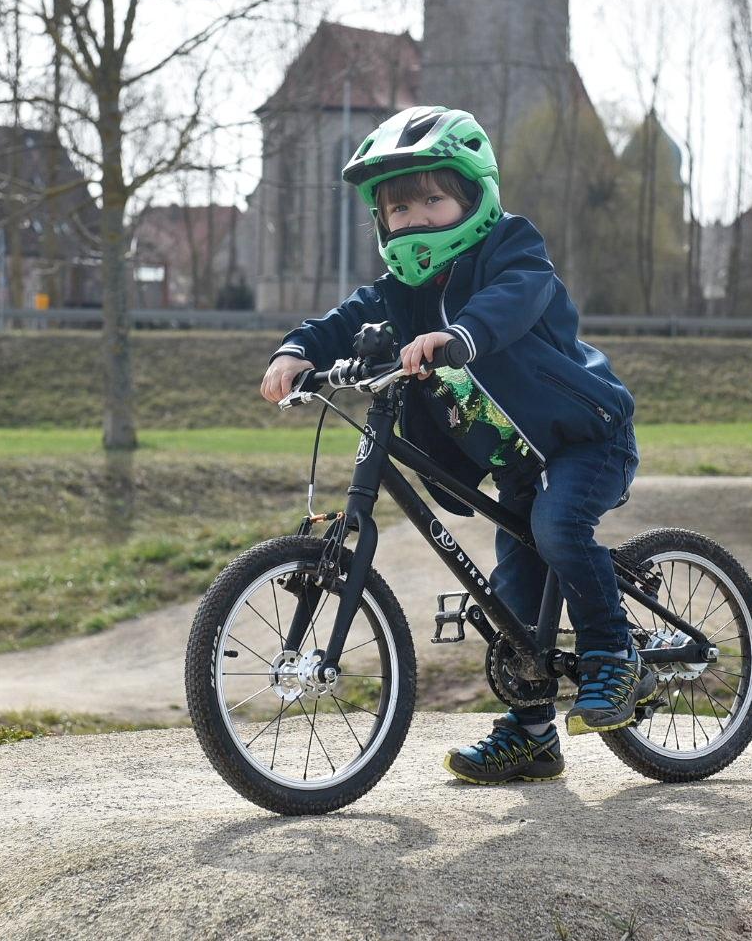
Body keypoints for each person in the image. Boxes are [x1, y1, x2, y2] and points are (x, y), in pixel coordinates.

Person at [259, 105, 645, 785]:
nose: (415, 218)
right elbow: (344, 317)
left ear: (474, 196)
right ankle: (532, 736)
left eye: (433, 199)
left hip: (586, 440)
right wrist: (297, 352)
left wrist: (460, 336)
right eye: (399, 208)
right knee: (512, 596)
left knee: (558, 526)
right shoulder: (400, 292)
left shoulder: (511, 249)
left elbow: (515, 299)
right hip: (521, 467)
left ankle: (614, 655)